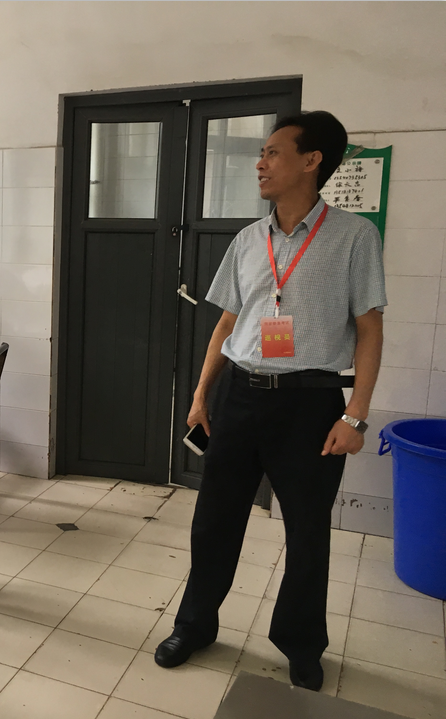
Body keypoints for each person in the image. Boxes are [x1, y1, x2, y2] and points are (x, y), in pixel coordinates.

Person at [154, 112, 385, 691]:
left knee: (307, 532)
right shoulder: (247, 239)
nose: (260, 164)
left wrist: (356, 415)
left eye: (273, 152)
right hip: (239, 394)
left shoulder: (355, 236)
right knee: (214, 521)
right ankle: (194, 625)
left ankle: (301, 643)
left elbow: (370, 329)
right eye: (261, 153)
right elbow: (227, 323)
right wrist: (201, 395)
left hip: (310, 403)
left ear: (312, 161)